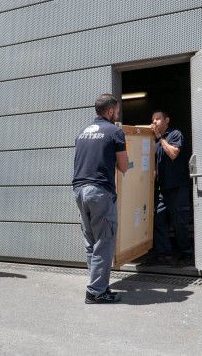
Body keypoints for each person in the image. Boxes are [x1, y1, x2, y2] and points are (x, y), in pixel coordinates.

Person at [72, 94, 129, 304]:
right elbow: (123, 166)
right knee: (105, 241)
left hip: (79, 190)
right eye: (117, 111)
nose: (118, 114)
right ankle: (95, 291)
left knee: (91, 242)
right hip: (99, 192)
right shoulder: (115, 131)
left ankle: (98, 286)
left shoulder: (82, 133)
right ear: (110, 111)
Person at [149, 110, 193, 266]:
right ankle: (164, 254)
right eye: (153, 120)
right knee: (159, 219)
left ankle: (186, 254)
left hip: (177, 187)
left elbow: (173, 153)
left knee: (179, 223)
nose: (154, 122)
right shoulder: (153, 141)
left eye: (158, 119)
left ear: (167, 120)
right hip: (162, 188)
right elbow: (153, 165)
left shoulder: (175, 134)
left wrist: (160, 138)